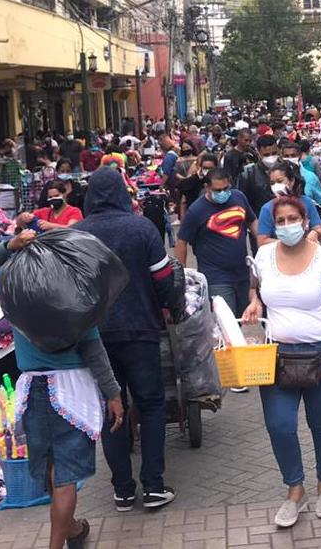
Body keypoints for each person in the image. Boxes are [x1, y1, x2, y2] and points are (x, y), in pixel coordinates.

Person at [0, 230, 124, 549]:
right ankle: (58, 542)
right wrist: (113, 393)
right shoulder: (74, 295)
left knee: (51, 469)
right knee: (66, 477)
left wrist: (12, 244)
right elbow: (94, 350)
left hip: (33, 389)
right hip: (71, 393)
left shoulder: (12, 286)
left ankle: (72, 529)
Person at [239, 196, 321, 529]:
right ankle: (295, 490)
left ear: (305, 220)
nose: (287, 226)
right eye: (280, 221)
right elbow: (256, 287)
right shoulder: (264, 255)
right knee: (280, 425)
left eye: (292, 219)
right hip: (278, 356)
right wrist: (255, 302)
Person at [74, 168, 185, 511]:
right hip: (140, 329)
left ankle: (122, 489)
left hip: (95, 337)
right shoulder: (141, 228)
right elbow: (164, 278)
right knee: (150, 404)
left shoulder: (77, 234)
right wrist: (171, 307)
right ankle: (153, 486)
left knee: (112, 407)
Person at [175, 168, 258, 316]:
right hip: (216, 277)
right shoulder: (196, 210)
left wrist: (262, 244)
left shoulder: (239, 197)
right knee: (225, 320)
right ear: (207, 187)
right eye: (217, 190)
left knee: (241, 317)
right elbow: (182, 242)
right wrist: (183, 276)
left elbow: (252, 220)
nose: (222, 193)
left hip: (242, 273)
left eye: (226, 188)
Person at [256, 162, 321, 246]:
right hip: (279, 252)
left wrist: (315, 232)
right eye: (272, 183)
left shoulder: (307, 202)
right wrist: (287, 243)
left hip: (306, 251)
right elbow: (262, 241)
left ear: (292, 181)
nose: (276, 186)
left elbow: (320, 230)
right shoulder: (267, 208)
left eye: (280, 181)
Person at [236, 134, 280, 214]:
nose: (271, 157)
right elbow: (244, 202)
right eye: (266, 155)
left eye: (274, 153)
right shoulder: (248, 174)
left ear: (278, 150)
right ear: (258, 152)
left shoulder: (288, 169)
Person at [17, 180, 82, 231]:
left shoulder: (74, 211)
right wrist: (23, 217)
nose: (53, 199)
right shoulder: (44, 212)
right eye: (50, 197)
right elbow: (19, 223)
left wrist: (51, 226)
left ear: (64, 194)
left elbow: (72, 228)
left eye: (56, 195)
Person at [280, 140, 321, 210]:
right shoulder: (276, 178)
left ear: (300, 156)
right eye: (286, 156)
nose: (290, 158)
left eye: (293, 155)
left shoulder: (310, 177)